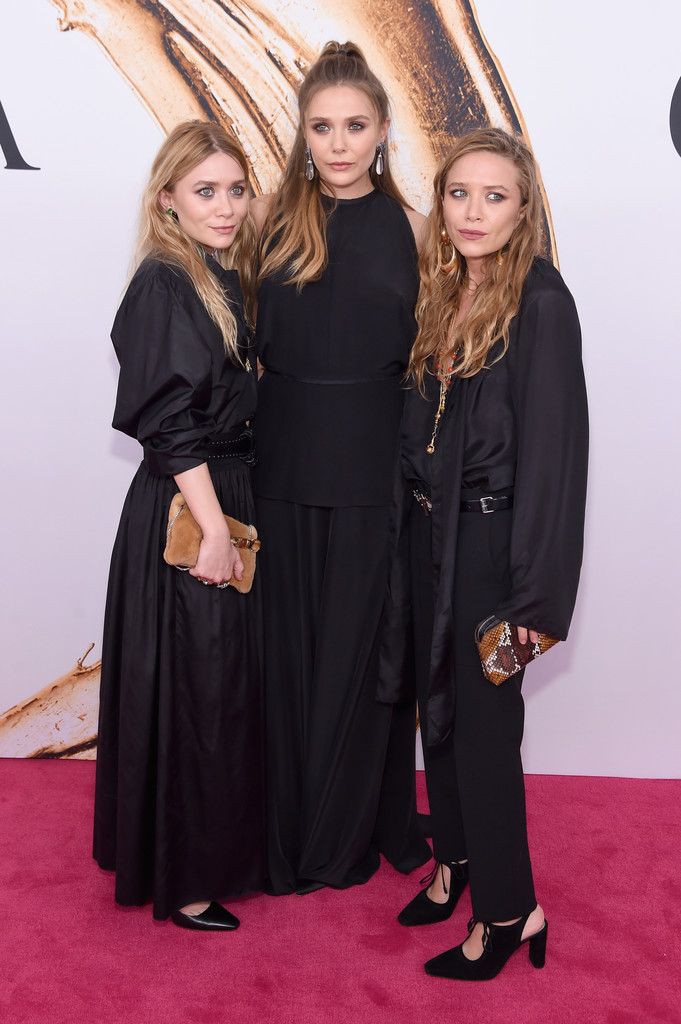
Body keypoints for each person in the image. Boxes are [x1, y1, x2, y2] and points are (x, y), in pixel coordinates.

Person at [378, 127, 588, 978]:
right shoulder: (443, 289)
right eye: (458, 193)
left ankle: (509, 911)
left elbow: (555, 461)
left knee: (485, 733)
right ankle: (455, 861)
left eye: (493, 196)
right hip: (431, 536)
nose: (472, 212)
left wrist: (531, 603)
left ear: (522, 207)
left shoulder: (540, 302)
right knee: (438, 713)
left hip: (494, 550)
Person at [251, 41, 430, 895]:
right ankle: (281, 826)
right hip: (279, 463)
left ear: (383, 129)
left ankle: (343, 833)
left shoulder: (418, 231)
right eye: (321, 127)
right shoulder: (263, 221)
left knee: (358, 657)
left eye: (354, 126)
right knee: (284, 654)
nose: (338, 144)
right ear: (302, 131)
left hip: (371, 471)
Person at [93, 120, 265, 930]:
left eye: (235, 190)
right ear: (167, 199)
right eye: (204, 191)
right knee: (199, 686)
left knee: (212, 686)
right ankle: (188, 881)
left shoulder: (221, 273)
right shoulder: (165, 282)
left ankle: (198, 851)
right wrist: (217, 529)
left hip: (219, 491)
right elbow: (167, 422)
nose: (224, 206)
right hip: (190, 502)